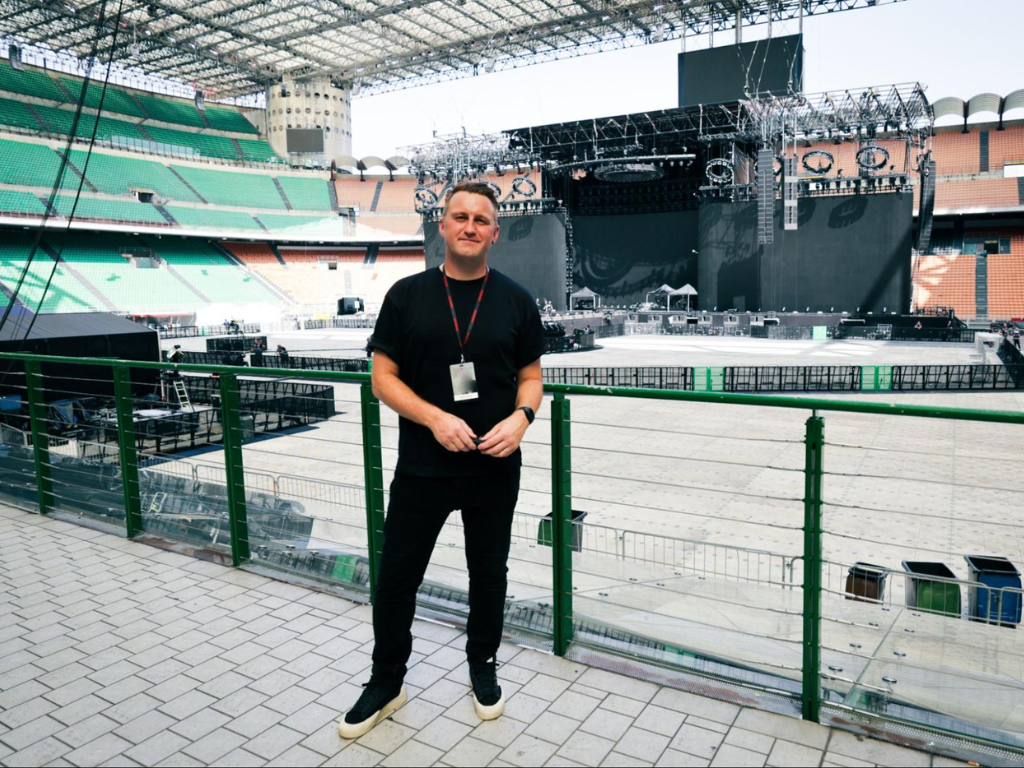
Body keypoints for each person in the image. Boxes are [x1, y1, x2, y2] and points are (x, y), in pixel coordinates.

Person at [339, 181, 544, 739]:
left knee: (489, 576)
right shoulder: (406, 295)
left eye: (481, 218)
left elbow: (531, 377)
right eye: (460, 216)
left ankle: (483, 664)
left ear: (495, 233)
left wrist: (522, 419)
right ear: (443, 227)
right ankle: (387, 679)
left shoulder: (517, 300)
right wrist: (434, 417)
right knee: (397, 577)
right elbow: (382, 378)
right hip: (423, 467)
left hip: (493, 468)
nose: (470, 226)